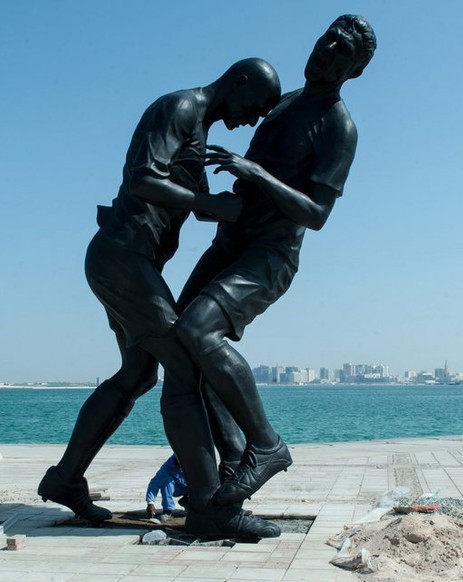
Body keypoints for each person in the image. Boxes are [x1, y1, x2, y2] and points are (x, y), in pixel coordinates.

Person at [38, 58, 283, 539]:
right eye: (256, 107)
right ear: (239, 83)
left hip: (132, 263)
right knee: (185, 363)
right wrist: (210, 204)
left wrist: (255, 187)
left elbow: (198, 205)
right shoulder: (179, 107)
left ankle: (65, 479)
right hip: (121, 259)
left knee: (137, 374)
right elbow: (143, 179)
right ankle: (211, 507)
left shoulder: (199, 132)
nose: (252, 119)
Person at [174, 14, 377, 506]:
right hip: (229, 244)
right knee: (179, 344)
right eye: (328, 38)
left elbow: (317, 213)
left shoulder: (338, 127)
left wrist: (256, 174)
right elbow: (248, 184)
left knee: (199, 331)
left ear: (353, 70)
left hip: (269, 256)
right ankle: (233, 462)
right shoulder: (284, 104)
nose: (327, 50)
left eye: (341, 51)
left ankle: (266, 445)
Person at [145, 454, 188, 520]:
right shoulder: (168, 466)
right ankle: (167, 510)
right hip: (177, 488)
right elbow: (155, 483)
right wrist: (150, 502)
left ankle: (187, 501)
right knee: (166, 481)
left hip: (193, 489)